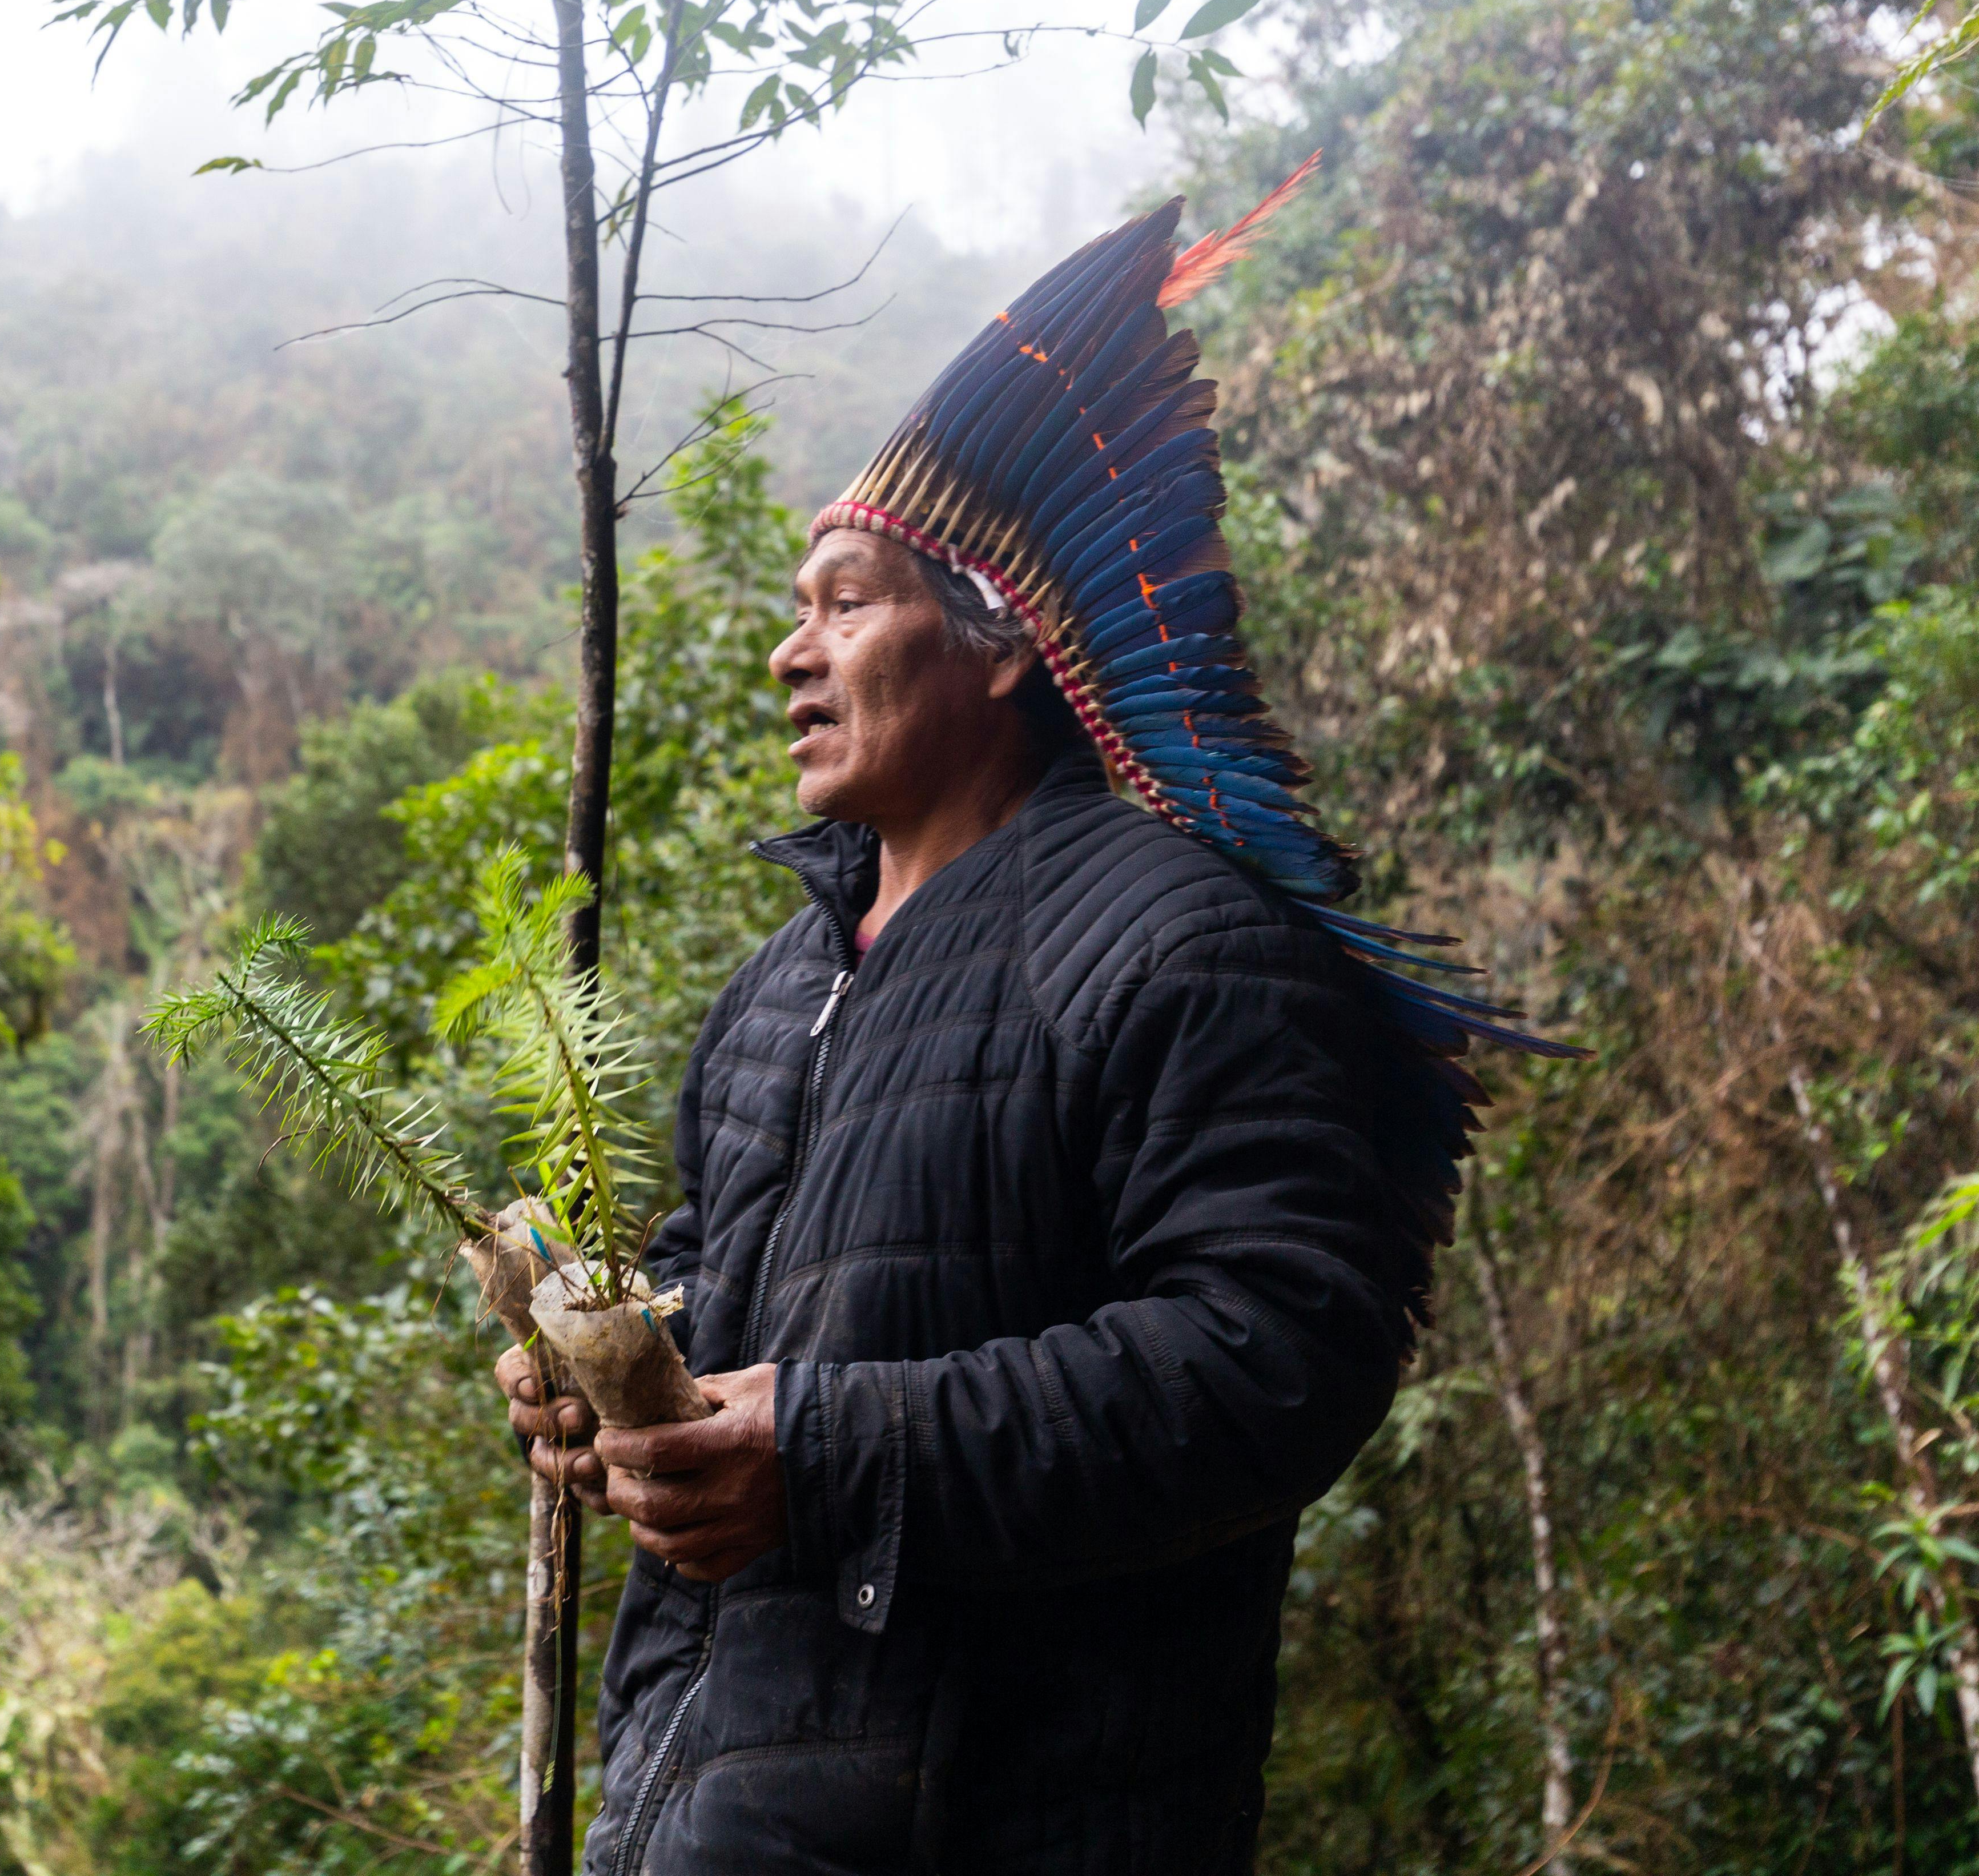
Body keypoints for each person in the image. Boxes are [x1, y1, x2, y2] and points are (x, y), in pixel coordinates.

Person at [496, 183, 1568, 1874]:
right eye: (798, 606)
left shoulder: (1180, 940)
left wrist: (832, 1453)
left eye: (847, 603)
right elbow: (714, 1303)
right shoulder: (780, 989)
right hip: (696, 1820)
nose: (791, 652)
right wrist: (609, 1397)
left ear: (998, 646)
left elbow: (1280, 1353)